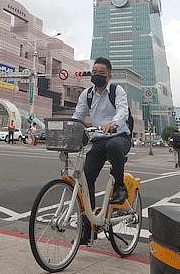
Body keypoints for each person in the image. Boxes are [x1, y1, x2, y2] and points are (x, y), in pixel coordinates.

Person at [71, 57, 132, 243]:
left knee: (113, 146)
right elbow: (78, 116)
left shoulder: (116, 90)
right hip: (98, 139)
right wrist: (71, 128)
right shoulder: (87, 94)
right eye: (94, 72)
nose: (97, 75)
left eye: (102, 73)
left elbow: (123, 110)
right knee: (85, 177)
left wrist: (114, 123)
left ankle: (120, 186)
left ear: (109, 75)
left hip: (119, 136)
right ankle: (88, 229)